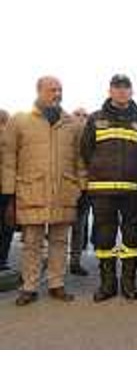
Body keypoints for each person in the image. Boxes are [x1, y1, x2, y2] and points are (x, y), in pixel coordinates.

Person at [2, 76, 86, 306]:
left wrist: (81, 186)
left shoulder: (72, 124)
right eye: (52, 90)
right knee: (32, 242)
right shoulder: (20, 121)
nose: (57, 94)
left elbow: (80, 159)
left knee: (60, 241)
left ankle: (56, 284)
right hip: (31, 189)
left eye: (60, 89)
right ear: (39, 90)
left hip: (64, 190)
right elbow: (9, 159)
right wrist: (9, 195)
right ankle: (29, 286)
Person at [81, 75, 137, 302]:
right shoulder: (95, 119)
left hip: (134, 191)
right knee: (104, 238)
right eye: (117, 88)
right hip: (103, 190)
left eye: (125, 88)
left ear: (131, 91)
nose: (121, 92)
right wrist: (99, 171)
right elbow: (86, 152)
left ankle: (128, 282)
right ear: (109, 91)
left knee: (132, 238)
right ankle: (107, 284)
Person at [68, 107, 92, 276]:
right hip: (64, 187)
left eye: (85, 115)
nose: (82, 118)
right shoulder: (63, 136)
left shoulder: (90, 137)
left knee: (79, 226)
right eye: (78, 114)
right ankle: (53, 262)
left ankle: (75, 261)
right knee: (57, 229)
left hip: (84, 189)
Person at [0, 109, 15, 272]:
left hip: (6, 187)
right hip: (8, 189)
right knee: (6, 228)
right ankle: (2, 260)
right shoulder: (10, 139)